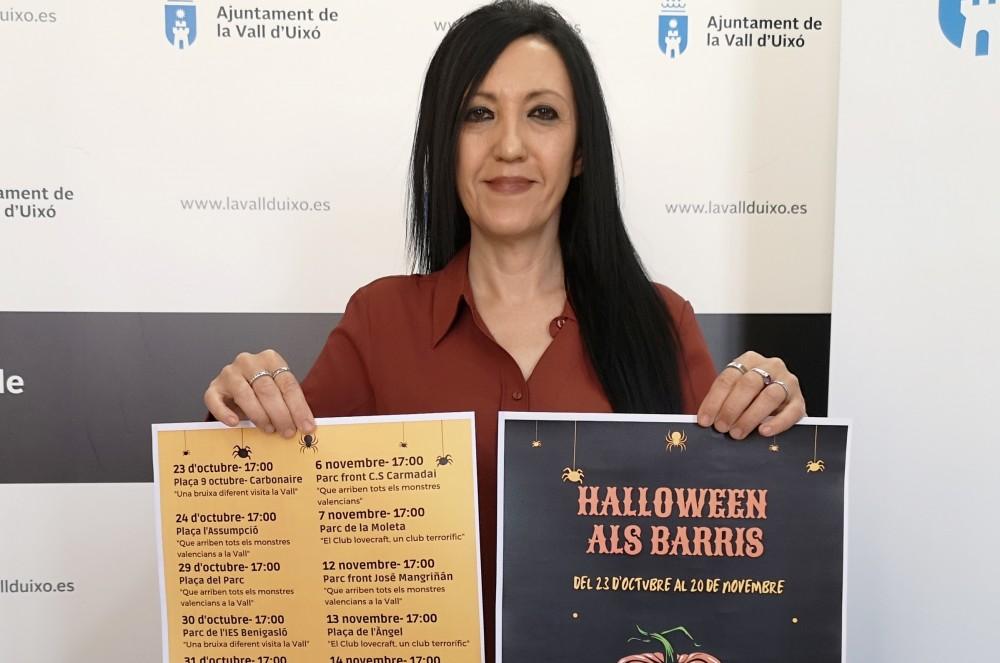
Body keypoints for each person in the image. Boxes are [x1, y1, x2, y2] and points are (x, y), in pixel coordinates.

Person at [203, 1, 806, 658]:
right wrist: (239, 411)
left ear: (581, 152)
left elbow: (724, 563)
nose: (509, 145)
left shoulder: (663, 324)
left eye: (542, 113)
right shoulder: (379, 321)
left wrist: (769, 434)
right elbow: (265, 519)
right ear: (444, 145)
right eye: (478, 114)